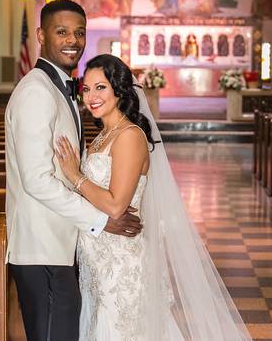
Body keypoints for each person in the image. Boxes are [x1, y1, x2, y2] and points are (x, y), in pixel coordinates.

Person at [55, 54, 252, 340]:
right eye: (86, 88)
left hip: (120, 262)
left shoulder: (129, 136)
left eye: (101, 87)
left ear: (119, 90)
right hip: (95, 260)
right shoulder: (101, 135)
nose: (91, 96)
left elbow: (115, 204)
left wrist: (75, 176)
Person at [4, 0, 142, 341]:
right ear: (40, 34)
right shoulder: (36, 92)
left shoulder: (58, 89)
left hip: (62, 247)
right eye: (62, 31)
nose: (73, 40)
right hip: (43, 249)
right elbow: (37, 180)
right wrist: (101, 220)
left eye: (79, 33)